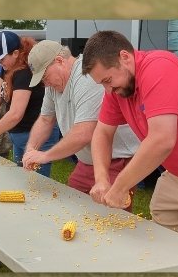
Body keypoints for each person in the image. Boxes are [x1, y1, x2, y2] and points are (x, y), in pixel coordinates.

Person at [84, 29, 178, 271]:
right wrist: (102, 180)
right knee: (163, 259)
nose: (108, 90)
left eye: (107, 81)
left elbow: (162, 139)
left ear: (125, 57)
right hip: (176, 177)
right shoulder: (118, 88)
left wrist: (120, 187)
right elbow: (102, 134)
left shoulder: (159, 67)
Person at [21, 41, 143, 205]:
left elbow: (84, 132)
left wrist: (45, 155)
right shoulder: (53, 85)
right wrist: (31, 149)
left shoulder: (86, 76)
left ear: (59, 61)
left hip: (117, 159)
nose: (45, 84)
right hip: (87, 161)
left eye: (44, 76)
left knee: (110, 218)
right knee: (73, 206)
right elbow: (45, 119)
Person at [0, 32, 43, 164]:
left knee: (35, 180)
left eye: (2, 58)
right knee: (20, 176)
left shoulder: (24, 72)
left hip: (33, 134)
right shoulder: (8, 67)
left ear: (15, 53)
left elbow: (15, 114)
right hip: (19, 134)